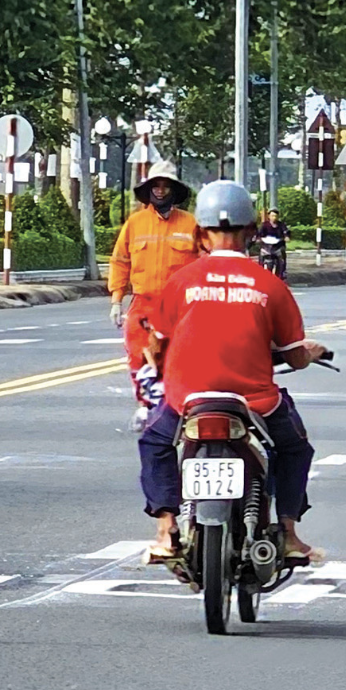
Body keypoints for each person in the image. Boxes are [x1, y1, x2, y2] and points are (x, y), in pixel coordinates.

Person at [137, 180, 328, 562]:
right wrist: (310, 352)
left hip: (187, 399)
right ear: (253, 232)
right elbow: (292, 357)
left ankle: (165, 529)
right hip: (254, 401)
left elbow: (156, 341)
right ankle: (289, 533)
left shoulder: (182, 281)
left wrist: (158, 362)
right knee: (293, 448)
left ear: (201, 234)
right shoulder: (270, 286)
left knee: (155, 443)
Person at [109, 161, 201, 428]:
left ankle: (178, 406)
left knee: (179, 357)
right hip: (144, 306)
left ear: (174, 190)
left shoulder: (191, 224)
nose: (160, 191)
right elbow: (120, 262)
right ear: (148, 190)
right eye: (156, 186)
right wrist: (117, 300)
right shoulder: (135, 224)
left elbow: (205, 261)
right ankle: (146, 405)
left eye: (166, 186)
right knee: (140, 357)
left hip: (181, 307)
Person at [254, 209, 290, 279]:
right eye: (272, 216)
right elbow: (258, 234)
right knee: (261, 255)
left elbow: (286, 233)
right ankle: (259, 271)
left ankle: (282, 272)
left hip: (278, 246)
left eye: (275, 216)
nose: (274, 217)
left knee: (282, 256)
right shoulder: (264, 225)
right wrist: (257, 239)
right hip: (266, 247)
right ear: (269, 216)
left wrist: (286, 237)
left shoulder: (281, 225)